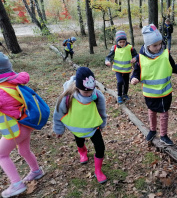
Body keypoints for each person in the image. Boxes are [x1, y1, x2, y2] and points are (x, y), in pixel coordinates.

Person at [131, 24, 177, 146]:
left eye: (160, 44)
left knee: (164, 113)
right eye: (155, 45)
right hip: (150, 93)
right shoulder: (141, 58)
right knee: (152, 111)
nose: (158, 47)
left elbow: (173, 67)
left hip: (165, 92)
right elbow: (136, 72)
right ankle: (152, 130)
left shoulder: (165, 54)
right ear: (147, 45)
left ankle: (163, 135)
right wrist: (134, 79)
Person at [0, 52, 44, 197]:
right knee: (23, 151)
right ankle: (36, 171)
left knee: (1, 155)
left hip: (15, 129)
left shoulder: (1, 90)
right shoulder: (14, 81)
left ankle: (16, 184)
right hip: (26, 124)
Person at [53, 67, 108, 184]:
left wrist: (102, 123)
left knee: (100, 147)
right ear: (78, 88)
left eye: (91, 91)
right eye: (86, 92)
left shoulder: (96, 95)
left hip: (93, 126)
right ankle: (83, 152)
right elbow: (58, 112)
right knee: (80, 141)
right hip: (77, 127)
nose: (89, 94)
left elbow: (102, 110)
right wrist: (59, 129)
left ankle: (98, 170)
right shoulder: (68, 96)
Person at [105, 31, 138, 104]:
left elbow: (136, 55)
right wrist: (107, 61)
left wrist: (134, 59)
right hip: (118, 69)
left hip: (127, 69)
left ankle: (125, 94)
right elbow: (108, 57)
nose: (122, 43)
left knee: (126, 83)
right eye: (120, 42)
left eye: (124, 41)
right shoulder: (114, 47)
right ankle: (119, 95)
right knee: (120, 82)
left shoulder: (130, 47)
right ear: (117, 41)